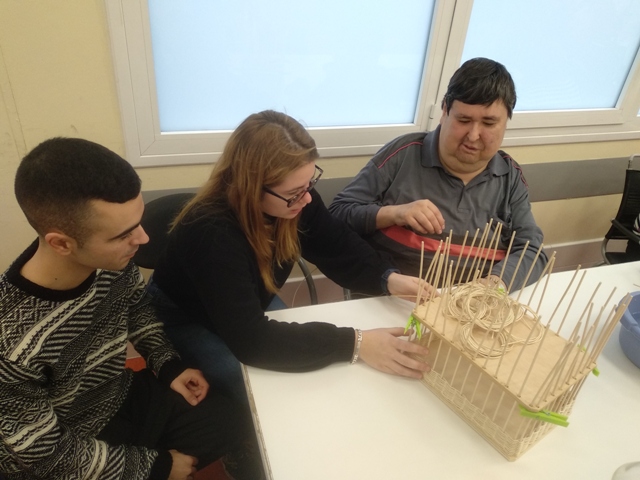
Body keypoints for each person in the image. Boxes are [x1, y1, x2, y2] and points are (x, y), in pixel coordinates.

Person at [0, 138, 259, 480]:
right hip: (59, 444)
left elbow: (136, 308)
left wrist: (168, 365)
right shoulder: (11, 346)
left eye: (138, 221)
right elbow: (46, 455)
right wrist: (155, 467)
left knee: (234, 418)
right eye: (123, 235)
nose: (143, 239)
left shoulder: (111, 262)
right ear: (61, 243)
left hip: (116, 397)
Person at [147, 110, 432, 404]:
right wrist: (357, 343)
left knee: (302, 369)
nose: (307, 199)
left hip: (246, 299)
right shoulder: (210, 233)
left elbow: (336, 244)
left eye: (310, 184)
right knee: (266, 395)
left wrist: (388, 278)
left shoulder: (296, 200)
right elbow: (253, 342)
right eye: (295, 192)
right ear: (251, 187)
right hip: (184, 316)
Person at [329, 57, 547, 291]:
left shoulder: (509, 176)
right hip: (394, 298)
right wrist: (395, 213)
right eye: (464, 120)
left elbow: (532, 250)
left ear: (506, 122)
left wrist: (493, 285)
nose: (474, 135)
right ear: (445, 110)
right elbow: (337, 214)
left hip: (470, 304)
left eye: (489, 123)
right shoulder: (403, 154)